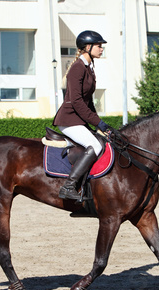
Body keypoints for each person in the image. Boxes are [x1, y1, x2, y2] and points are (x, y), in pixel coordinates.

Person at [53, 30, 110, 200]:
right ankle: (68, 186)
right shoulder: (77, 68)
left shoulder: (89, 68)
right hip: (69, 119)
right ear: (88, 47)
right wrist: (97, 123)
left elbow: (89, 102)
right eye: (99, 46)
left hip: (78, 119)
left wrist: (99, 123)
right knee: (95, 146)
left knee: (102, 142)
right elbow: (77, 101)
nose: (101, 49)